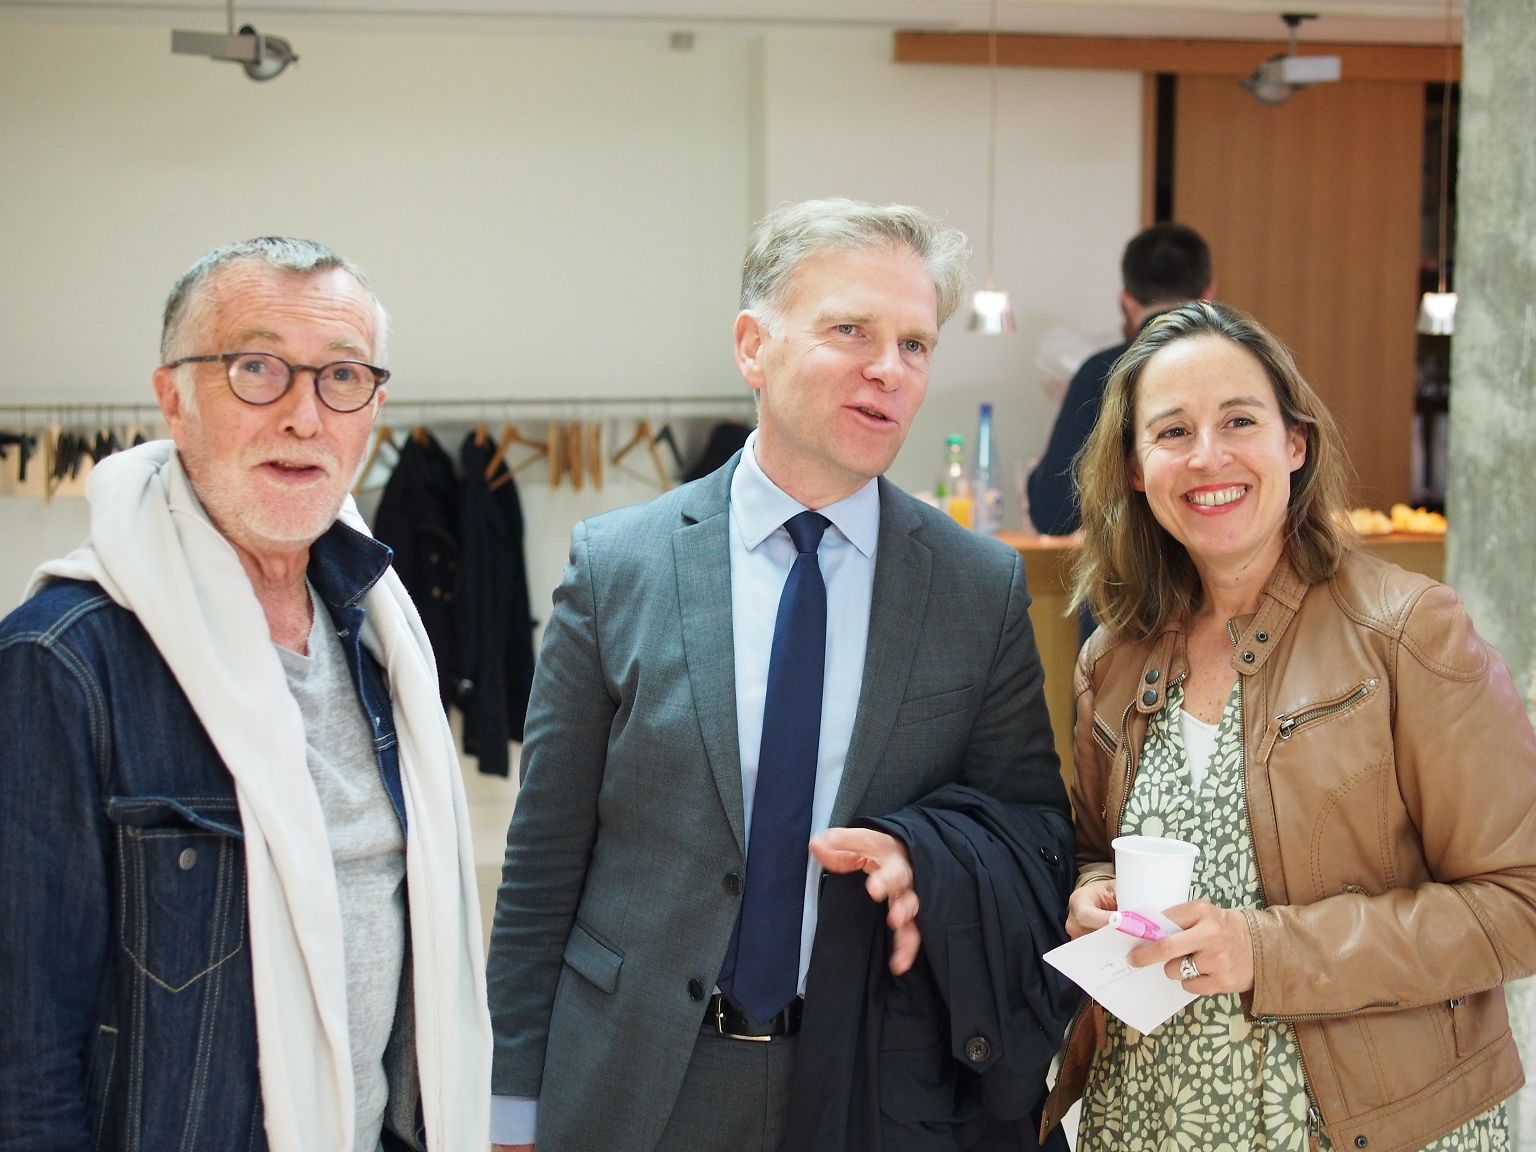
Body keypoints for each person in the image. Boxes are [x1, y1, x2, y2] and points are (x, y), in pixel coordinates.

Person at [486, 198, 1070, 1152]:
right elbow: (544, 859)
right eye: (852, 331)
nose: (889, 369)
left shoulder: (977, 586)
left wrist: (922, 854)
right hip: (636, 1078)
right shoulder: (619, 565)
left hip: (867, 1079)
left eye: (915, 344)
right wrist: (511, 1104)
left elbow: (1033, 834)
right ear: (753, 347)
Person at [0, 237, 490, 1150]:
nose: (304, 417)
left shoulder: (380, 636)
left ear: (374, 409)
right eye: (256, 369)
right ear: (173, 398)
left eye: (342, 376)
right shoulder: (62, 663)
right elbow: (23, 1054)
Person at [1041, 300, 1536, 1152]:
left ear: (1295, 443)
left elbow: (1518, 902)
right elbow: (1094, 847)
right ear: (1135, 469)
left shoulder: (1407, 632)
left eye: (1240, 420)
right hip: (1148, 1114)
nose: (1208, 456)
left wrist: (1267, 951)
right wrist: (1092, 895)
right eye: (1172, 432)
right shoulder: (1111, 660)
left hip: (1368, 1125)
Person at [1026, 221, 1211, 538]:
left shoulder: (1102, 371)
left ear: (1127, 300)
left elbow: (1053, 512)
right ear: (1209, 293)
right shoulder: (1246, 366)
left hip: (1138, 564)